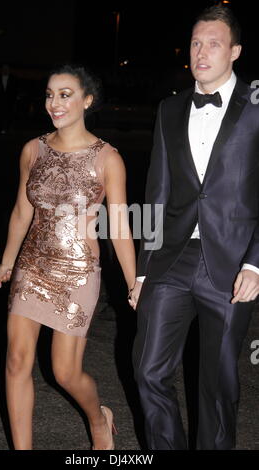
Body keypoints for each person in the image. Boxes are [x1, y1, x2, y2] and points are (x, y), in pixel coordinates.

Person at [130, 5, 259, 450]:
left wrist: (256, 265)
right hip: (171, 258)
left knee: (217, 384)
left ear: (235, 51)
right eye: (196, 43)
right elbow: (156, 193)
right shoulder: (169, 108)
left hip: (232, 264)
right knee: (148, 370)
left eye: (214, 43)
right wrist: (144, 269)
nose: (201, 52)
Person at [0, 64, 136, 450]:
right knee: (16, 361)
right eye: (49, 94)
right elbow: (22, 210)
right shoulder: (33, 150)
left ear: (87, 101)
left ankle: (99, 419)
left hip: (77, 273)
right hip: (32, 265)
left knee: (64, 372)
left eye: (65, 94)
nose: (54, 103)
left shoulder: (107, 158)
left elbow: (120, 226)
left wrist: (132, 280)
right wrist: (9, 259)